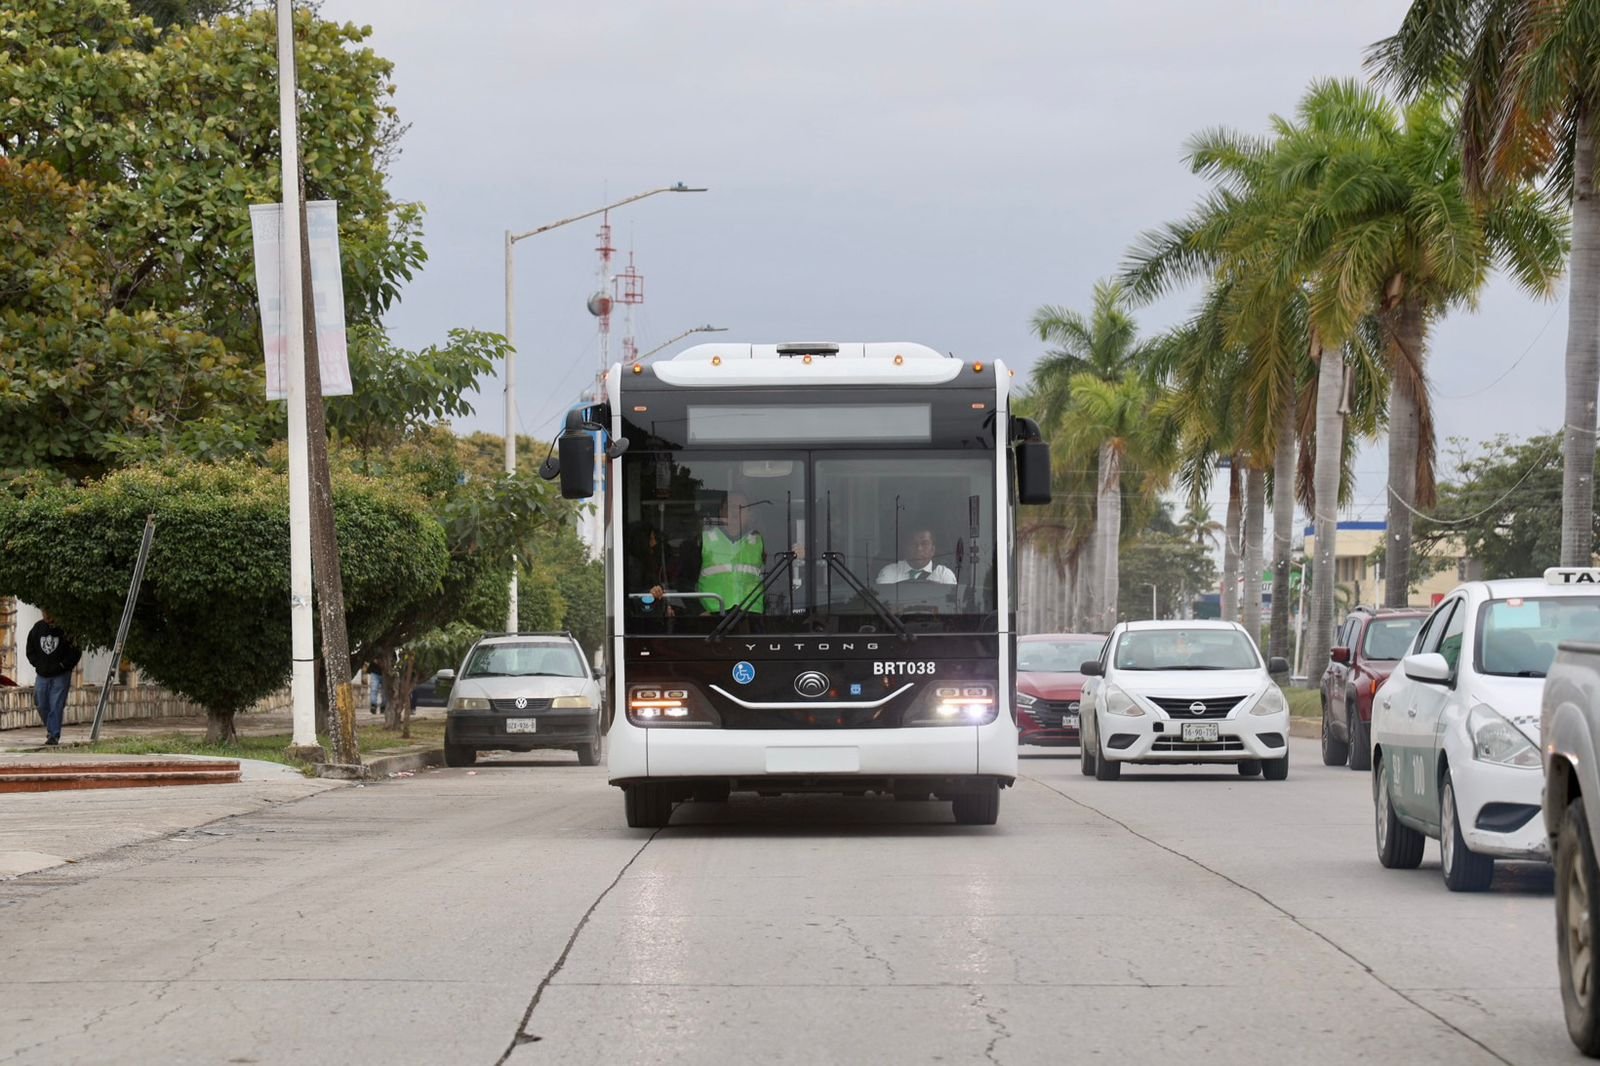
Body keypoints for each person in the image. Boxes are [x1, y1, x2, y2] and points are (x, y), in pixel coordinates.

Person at [696, 490, 767, 615]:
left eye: (742, 508)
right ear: (721, 512)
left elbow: (775, 581)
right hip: (711, 620)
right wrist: (697, 612)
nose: (735, 513)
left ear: (749, 514)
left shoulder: (759, 542)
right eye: (731, 507)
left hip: (753, 620)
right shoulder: (703, 541)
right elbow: (684, 581)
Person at [26, 611, 81, 746]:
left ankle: (53, 735)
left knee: (56, 704)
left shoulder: (66, 629)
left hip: (61, 675)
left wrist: (63, 665)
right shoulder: (37, 628)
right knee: (40, 702)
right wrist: (38, 664)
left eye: (51, 613)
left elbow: (76, 651)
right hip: (42, 674)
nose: (48, 616)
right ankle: (52, 727)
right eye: (45, 613)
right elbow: (30, 649)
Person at [876, 529, 956, 585]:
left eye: (924, 544)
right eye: (913, 544)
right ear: (905, 548)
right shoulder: (889, 572)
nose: (919, 548)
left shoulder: (944, 575)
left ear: (933, 550)